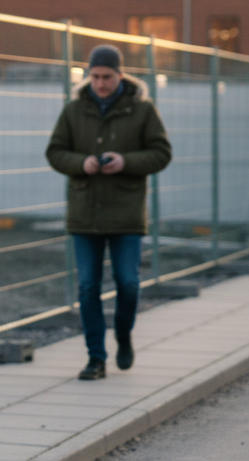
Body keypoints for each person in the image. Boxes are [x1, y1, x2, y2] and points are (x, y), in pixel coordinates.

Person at [46, 44, 171, 380]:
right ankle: (96, 358)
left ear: (120, 75)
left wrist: (125, 162)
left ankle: (124, 334)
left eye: (107, 77)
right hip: (84, 214)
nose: (100, 84)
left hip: (126, 213)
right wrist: (82, 163)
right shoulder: (74, 110)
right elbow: (55, 152)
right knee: (88, 287)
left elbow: (161, 153)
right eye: (95, 76)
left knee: (128, 283)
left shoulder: (142, 110)